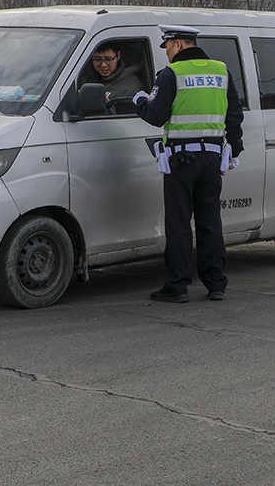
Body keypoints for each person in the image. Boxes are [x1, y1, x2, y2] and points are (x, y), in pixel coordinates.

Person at [133, 26, 244, 302]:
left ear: (179, 45)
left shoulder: (172, 74)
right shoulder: (221, 71)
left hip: (181, 160)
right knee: (210, 221)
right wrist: (236, 148)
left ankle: (178, 285)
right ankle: (216, 283)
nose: (168, 53)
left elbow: (157, 116)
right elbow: (234, 114)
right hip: (212, 159)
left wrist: (139, 102)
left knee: (179, 223)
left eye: (168, 47)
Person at [82, 42, 145, 108]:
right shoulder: (84, 77)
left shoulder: (131, 87)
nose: (103, 65)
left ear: (118, 56)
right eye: (97, 59)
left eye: (108, 59)